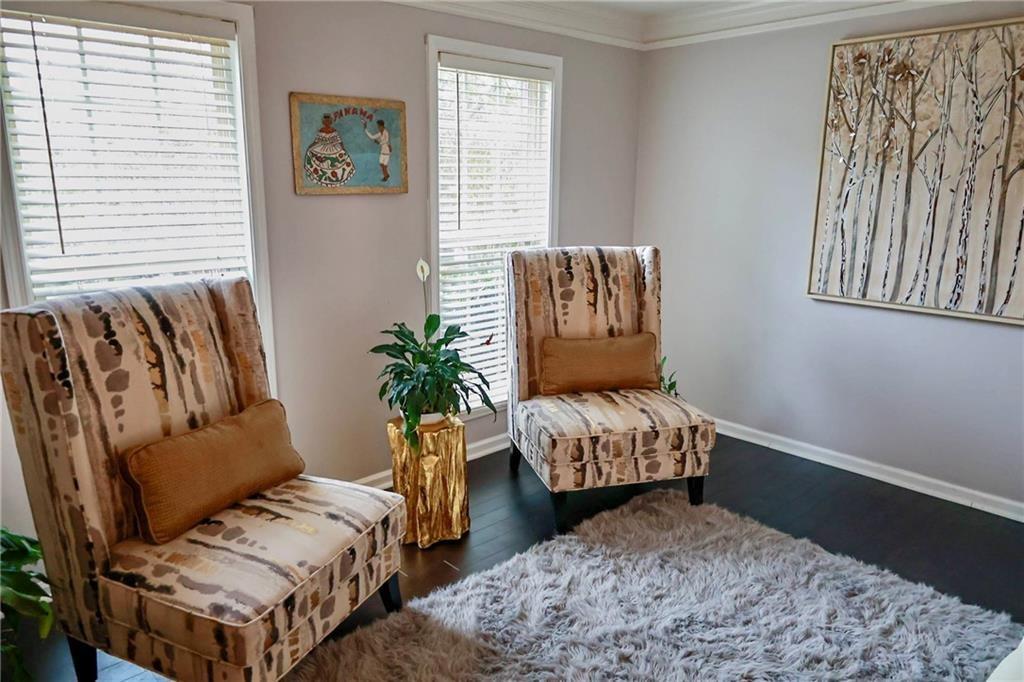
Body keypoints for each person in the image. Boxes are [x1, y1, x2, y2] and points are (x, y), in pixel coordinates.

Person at [304, 114, 355, 187]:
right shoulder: (321, 130)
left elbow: (338, 140)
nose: (327, 122)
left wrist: (343, 148)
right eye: (325, 121)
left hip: (333, 148)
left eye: (328, 121)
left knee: (334, 163)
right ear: (323, 122)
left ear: (330, 122)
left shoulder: (334, 130)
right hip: (322, 148)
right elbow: (317, 141)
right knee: (323, 163)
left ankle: (334, 179)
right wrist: (310, 146)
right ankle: (325, 179)